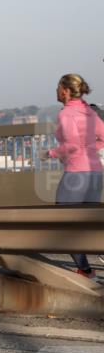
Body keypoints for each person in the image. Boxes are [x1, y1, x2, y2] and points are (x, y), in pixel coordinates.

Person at [40, 74, 104, 280]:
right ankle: (87, 268)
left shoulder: (66, 114)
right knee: (89, 223)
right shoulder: (89, 111)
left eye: (58, 87)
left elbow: (72, 144)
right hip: (95, 172)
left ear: (66, 91)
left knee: (64, 221)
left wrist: (50, 154)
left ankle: (86, 271)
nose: (56, 91)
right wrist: (91, 150)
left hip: (77, 174)